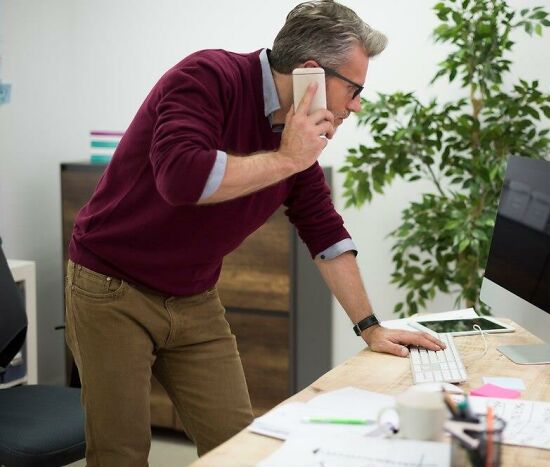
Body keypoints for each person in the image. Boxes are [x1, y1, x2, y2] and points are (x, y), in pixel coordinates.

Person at [65, 1, 445, 465]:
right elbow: (180, 178)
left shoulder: (294, 135)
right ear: (310, 71)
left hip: (193, 296)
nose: (356, 106)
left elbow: (324, 230)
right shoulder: (207, 76)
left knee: (239, 447)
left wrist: (370, 328)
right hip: (112, 287)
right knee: (120, 453)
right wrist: (288, 157)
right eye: (354, 90)